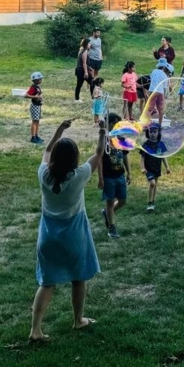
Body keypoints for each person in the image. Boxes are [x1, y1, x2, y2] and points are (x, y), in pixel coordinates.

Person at [30, 117, 105, 343]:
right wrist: (103, 131)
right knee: (78, 278)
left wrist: (59, 130)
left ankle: (35, 330)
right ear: (74, 159)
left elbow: (47, 150)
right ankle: (78, 320)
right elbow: (99, 153)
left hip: (48, 237)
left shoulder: (43, 174)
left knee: (47, 283)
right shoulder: (79, 176)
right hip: (74, 236)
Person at [99, 113, 131, 238]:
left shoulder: (121, 139)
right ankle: (111, 227)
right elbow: (99, 160)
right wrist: (101, 178)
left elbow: (125, 156)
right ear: (108, 124)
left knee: (122, 200)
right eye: (114, 123)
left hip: (120, 175)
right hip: (108, 177)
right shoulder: (104, 140)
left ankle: (107, 213)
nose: (116, 126)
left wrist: (129, 172)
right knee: (110, 202)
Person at [140, 123, 170, 212]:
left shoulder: (161, 144)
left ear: (159, 132)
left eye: (155, 131)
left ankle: (153, 200)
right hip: (148, 168)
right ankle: (149, 203)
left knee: (155, 184)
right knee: (152, 183)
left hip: (157, 167)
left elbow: (163, 157)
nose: (152, 134)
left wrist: (167, 167)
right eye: (151, 132)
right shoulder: (146, 145)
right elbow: (142, 158)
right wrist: (142, 168)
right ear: (148, 133)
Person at [27, 71, 45, 144]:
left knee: (37, 121)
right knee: (34, 121)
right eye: (40, 79)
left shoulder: (37, 87)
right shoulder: (33, 87)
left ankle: (36, 135)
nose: (41, 80)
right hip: (34, 106)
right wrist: (35, 97)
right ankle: (33, 137)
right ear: (35, 80)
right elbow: (26, 95)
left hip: (38, 106)